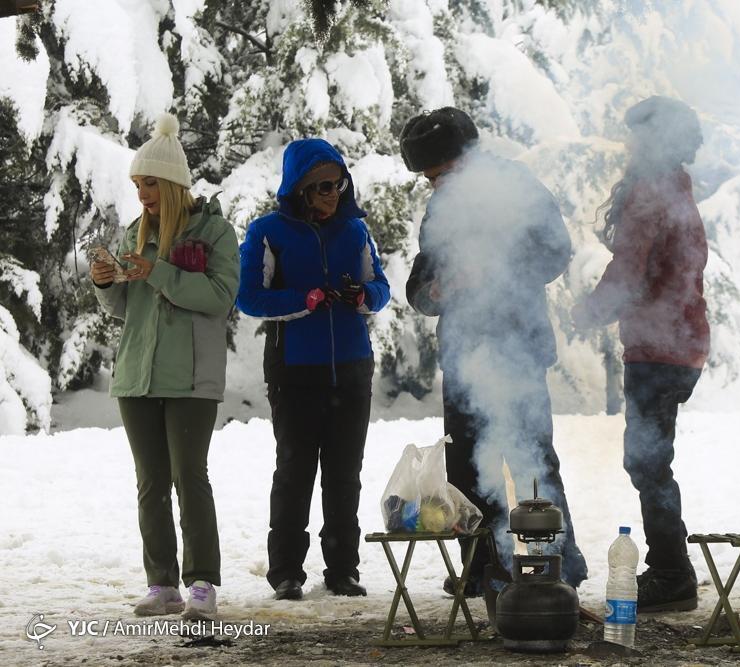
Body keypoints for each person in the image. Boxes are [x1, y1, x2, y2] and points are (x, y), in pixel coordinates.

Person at [400, 107, 588, 593]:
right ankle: (481, 567)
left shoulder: (518, 188)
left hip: (516, 347)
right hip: (464, 355)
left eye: (439, 175)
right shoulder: (442, 208)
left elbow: (554, 253)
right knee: (465, 467)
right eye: (429, 179)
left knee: (532, 460)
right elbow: (422, 277)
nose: (435, 186)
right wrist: (433, 290)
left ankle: (558, 564)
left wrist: (496, 269)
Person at [91, 113, 239, 620]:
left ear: (174, 183)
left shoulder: (216, 232)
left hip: (192, 377)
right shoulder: (137, 232)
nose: (142, 194)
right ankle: (162, 584)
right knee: (150, 483)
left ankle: (202, 583)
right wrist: (106, 281)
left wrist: (159, 271)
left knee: (188, 477)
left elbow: (219, 297)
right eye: (136, 184)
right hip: (137, 374)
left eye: (150, 183)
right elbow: (124, 309)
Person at [572, 96, 710, 612]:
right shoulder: (677, 187)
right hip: (682, 345)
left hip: (658, 348)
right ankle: (672, 568)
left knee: (648, 462)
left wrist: (585, 314)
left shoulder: (652, 192)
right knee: (651, 461)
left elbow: (628, 273)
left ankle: (672, 574)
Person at [236, 138, 390, 601]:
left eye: (337, 184)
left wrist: (363, 298)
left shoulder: (356, 231)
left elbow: (380, 287)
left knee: (345, 473)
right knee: (295, 470)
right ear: (298, 189)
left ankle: (343, 569)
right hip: (294, 370)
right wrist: (301, 301)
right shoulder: (268, 231)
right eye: (321, 186)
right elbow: (248, 297)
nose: (331, 194)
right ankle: (286, 572)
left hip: (352, 367)